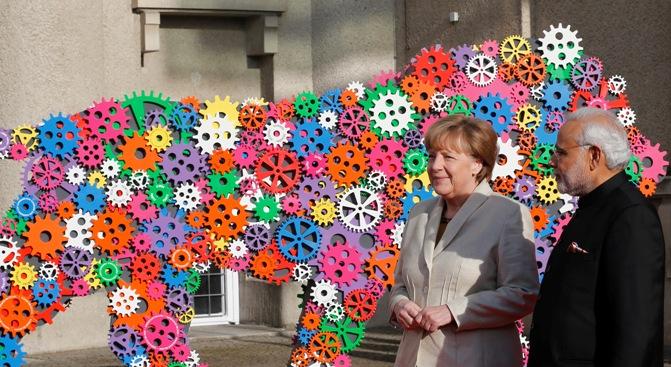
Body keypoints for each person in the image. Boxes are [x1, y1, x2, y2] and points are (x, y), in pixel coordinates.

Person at [389, 115, 540, 367]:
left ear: (477, 164)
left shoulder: (507, 215)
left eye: (448, 157)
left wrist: (453, 311)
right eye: (432, 156)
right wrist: (399, 304)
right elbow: (401, 283)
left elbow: (522, 294)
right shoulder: (419, 214)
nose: (435, 166)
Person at [528, 107, 665, 366]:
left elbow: (637, 329)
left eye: (561, 152)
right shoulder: (594, 206)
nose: (552, 161)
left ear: (593, 155)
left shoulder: (630, 215)